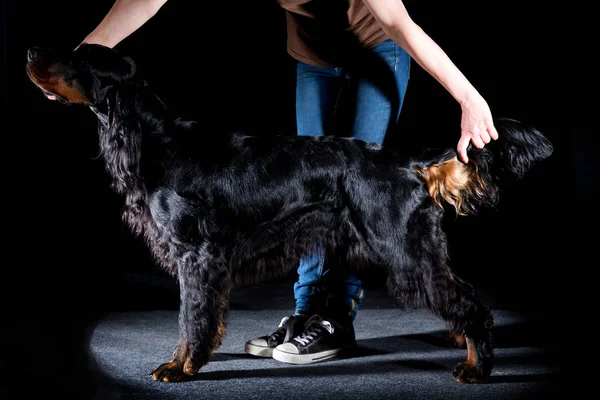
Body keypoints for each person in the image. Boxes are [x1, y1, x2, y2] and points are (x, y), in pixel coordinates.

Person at [49, 0, 498, 365]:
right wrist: (80, 61)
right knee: (307, 193)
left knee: (362, 190)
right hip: (312, 58)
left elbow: (399, 22)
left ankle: (336, 321)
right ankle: (306, 315)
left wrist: (469, 98)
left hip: (378, 46)